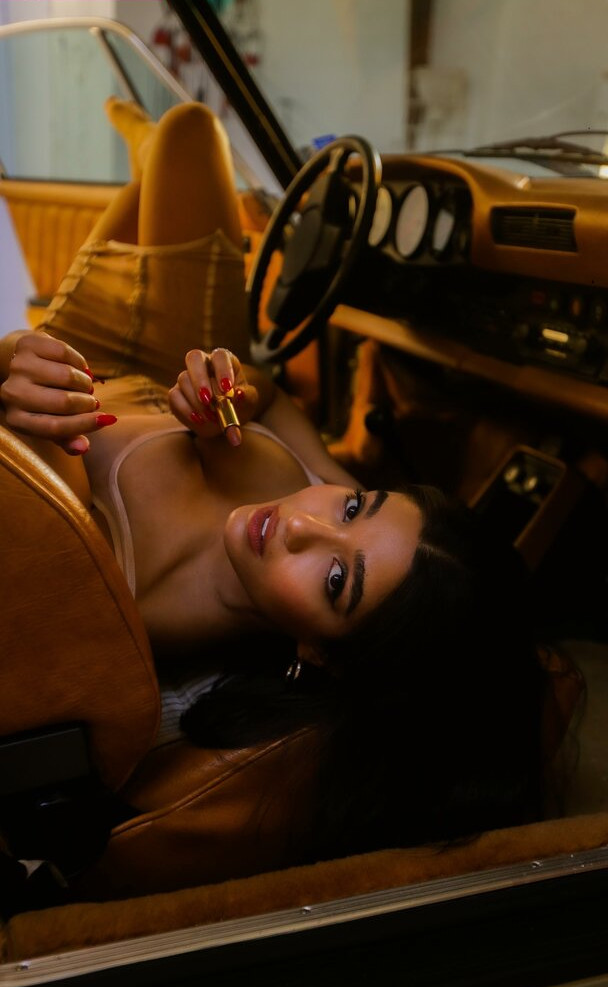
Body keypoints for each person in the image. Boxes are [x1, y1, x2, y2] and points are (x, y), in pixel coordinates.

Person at [0, 100, 546, 863]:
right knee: (193, 127)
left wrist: (11, 360)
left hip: (76, 362)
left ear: (321, 655)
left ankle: (140, 171)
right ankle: (146, 155)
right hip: (163, 361)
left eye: (335, 580)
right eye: (354, 505)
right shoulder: (326, 490)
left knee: (178, 143)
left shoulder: (118, 609)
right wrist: (232, 390)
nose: (300, 521)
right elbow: (280, 398)